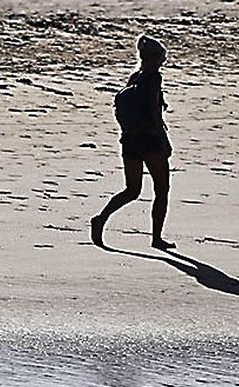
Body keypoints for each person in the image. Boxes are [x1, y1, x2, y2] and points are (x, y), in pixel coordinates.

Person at [92, 35, 175, 250]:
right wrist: (164, 140)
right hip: (150, 141)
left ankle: (101, 218)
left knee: (131, 190)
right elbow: (152, 112)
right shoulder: (153, 78)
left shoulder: (134, 78)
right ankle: (156, 239)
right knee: (162, 190)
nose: (162, 62)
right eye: (161, 58)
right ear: (154, 58)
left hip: (129, 141)